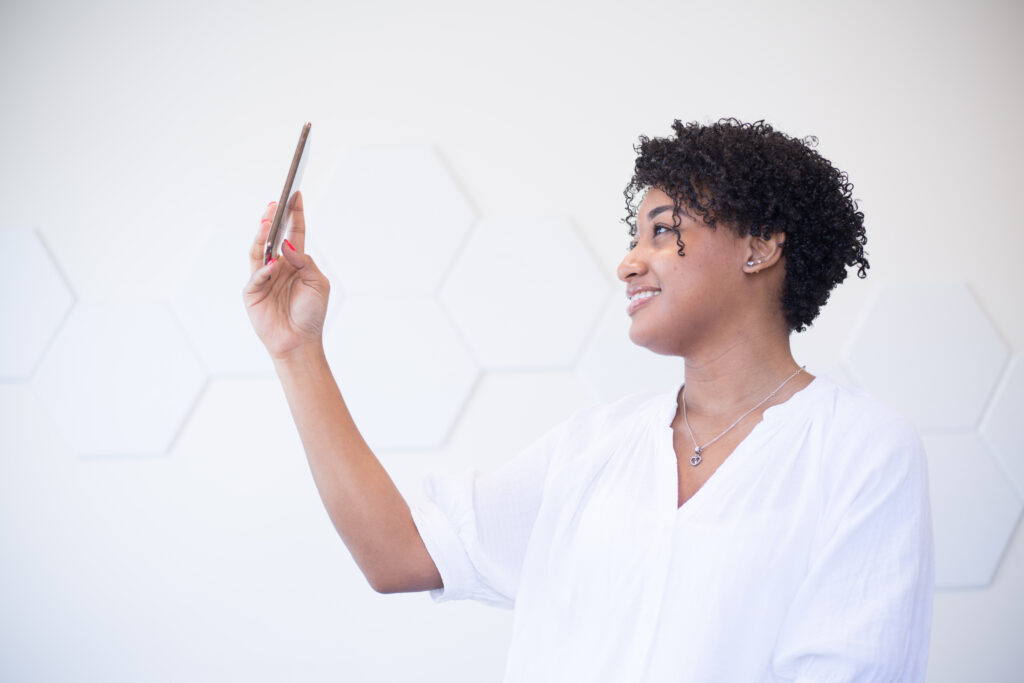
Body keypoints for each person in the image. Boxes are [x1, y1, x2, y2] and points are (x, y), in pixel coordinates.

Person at [244, 118, 934, 682]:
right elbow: (396, 553)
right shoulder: (595, 446)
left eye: (663, 231)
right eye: (635, 237)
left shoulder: (861, 450)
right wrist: (297, 351)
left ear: (759, 245)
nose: (629, 262)